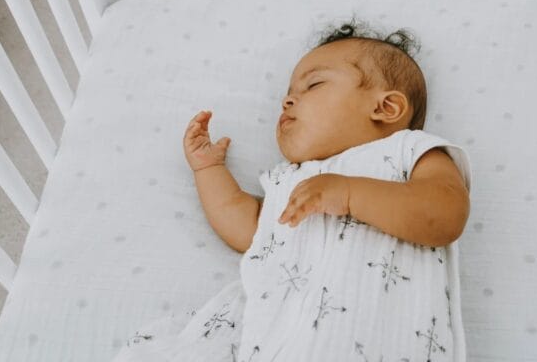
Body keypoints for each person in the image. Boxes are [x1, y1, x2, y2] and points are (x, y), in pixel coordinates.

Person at [112, 19, 473, 361]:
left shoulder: (408, 152)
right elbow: (250, 228)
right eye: (287, 93)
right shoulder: (291, 178)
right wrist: (208, 170)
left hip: (373, 335)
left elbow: (444, 214)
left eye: (313, 85)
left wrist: (349, 194)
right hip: (276, 338)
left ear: (386, 107)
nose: (287, 101)